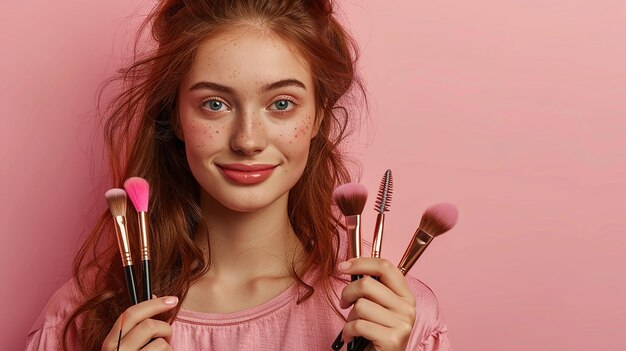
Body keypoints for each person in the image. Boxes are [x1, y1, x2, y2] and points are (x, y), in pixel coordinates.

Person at [26, 1, 450, 350]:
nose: (247, 140)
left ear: (320, 114)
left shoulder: (392, 316)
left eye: (282, 104)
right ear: (174, 115)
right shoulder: (80, 319)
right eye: (214, 104)